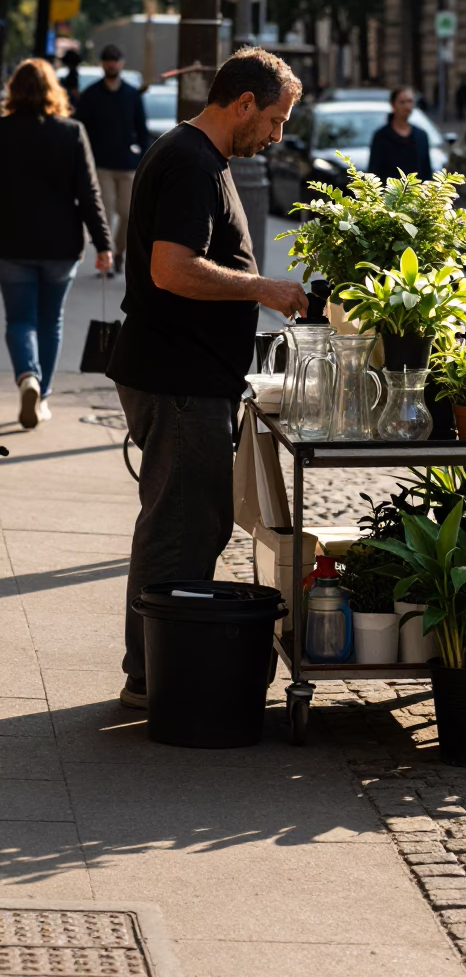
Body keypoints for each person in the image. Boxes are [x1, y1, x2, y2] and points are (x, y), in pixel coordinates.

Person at [107, 48, 309, 709]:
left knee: (189, 521)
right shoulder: (193, 161)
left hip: (184, 374)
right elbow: (172, 269)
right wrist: (265, 288)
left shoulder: (199, 157)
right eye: (275, 119)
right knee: (182, 525)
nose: (276, 136)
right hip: (178, 379)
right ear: (242, 102)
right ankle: (154, 680)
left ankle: (155, 670)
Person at [0, 59, 112, 428]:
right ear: (53, 91)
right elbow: (89, 193)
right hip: (62, 245)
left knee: (19, 319)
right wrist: (103, 243)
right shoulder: (72, 132)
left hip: (12, 242)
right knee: (51, 323)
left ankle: (27, 377)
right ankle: (43, 395)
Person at [75, 43, 149, 277]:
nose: (111, 64)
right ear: (102, 63)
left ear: (122, 62)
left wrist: (145, 158)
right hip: (100, 165)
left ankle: (118, 252)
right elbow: (80, 129)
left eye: (115, 60)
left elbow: (142, 129)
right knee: (104, 215)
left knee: (128, 215)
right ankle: (105, 260)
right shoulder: (91, 95)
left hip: (128, 164)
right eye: (108, 60)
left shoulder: (131, 94)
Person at [368, 85, 432, 182]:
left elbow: (427, 171)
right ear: (393, 104)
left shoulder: (421, 136)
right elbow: (374, 172)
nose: (407, 106)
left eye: (410, 101)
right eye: (402, 102)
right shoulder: (381, 136)